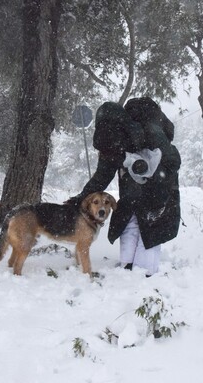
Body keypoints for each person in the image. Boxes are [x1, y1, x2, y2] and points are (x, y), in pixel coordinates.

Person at [68, 97, 181, 276]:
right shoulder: (110, 141)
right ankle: (127, 267)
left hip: (161, 187)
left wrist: (150, 170)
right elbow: (101, 177)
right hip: (131, 188)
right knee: (129, 221)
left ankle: (145, 273)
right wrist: (79, 200)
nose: (113, 156)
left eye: (117, 152)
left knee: (151, 225)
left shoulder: (152, 132)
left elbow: (174, 161)